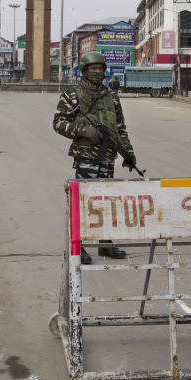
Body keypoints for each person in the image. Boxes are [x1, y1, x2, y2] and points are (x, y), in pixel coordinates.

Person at [53, 51, 136, 265]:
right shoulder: (73, 95)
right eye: (93, 69)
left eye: (100, 69)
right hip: (86, 157)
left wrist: (128, 153)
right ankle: (78, 247)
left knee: (107, 201)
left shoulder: (111, 96)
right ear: (85, 71)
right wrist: (82, 130)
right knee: (84, 202)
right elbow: (58, 123)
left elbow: (120, 128)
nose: (98, 72)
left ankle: (106, 244)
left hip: (107, 157)